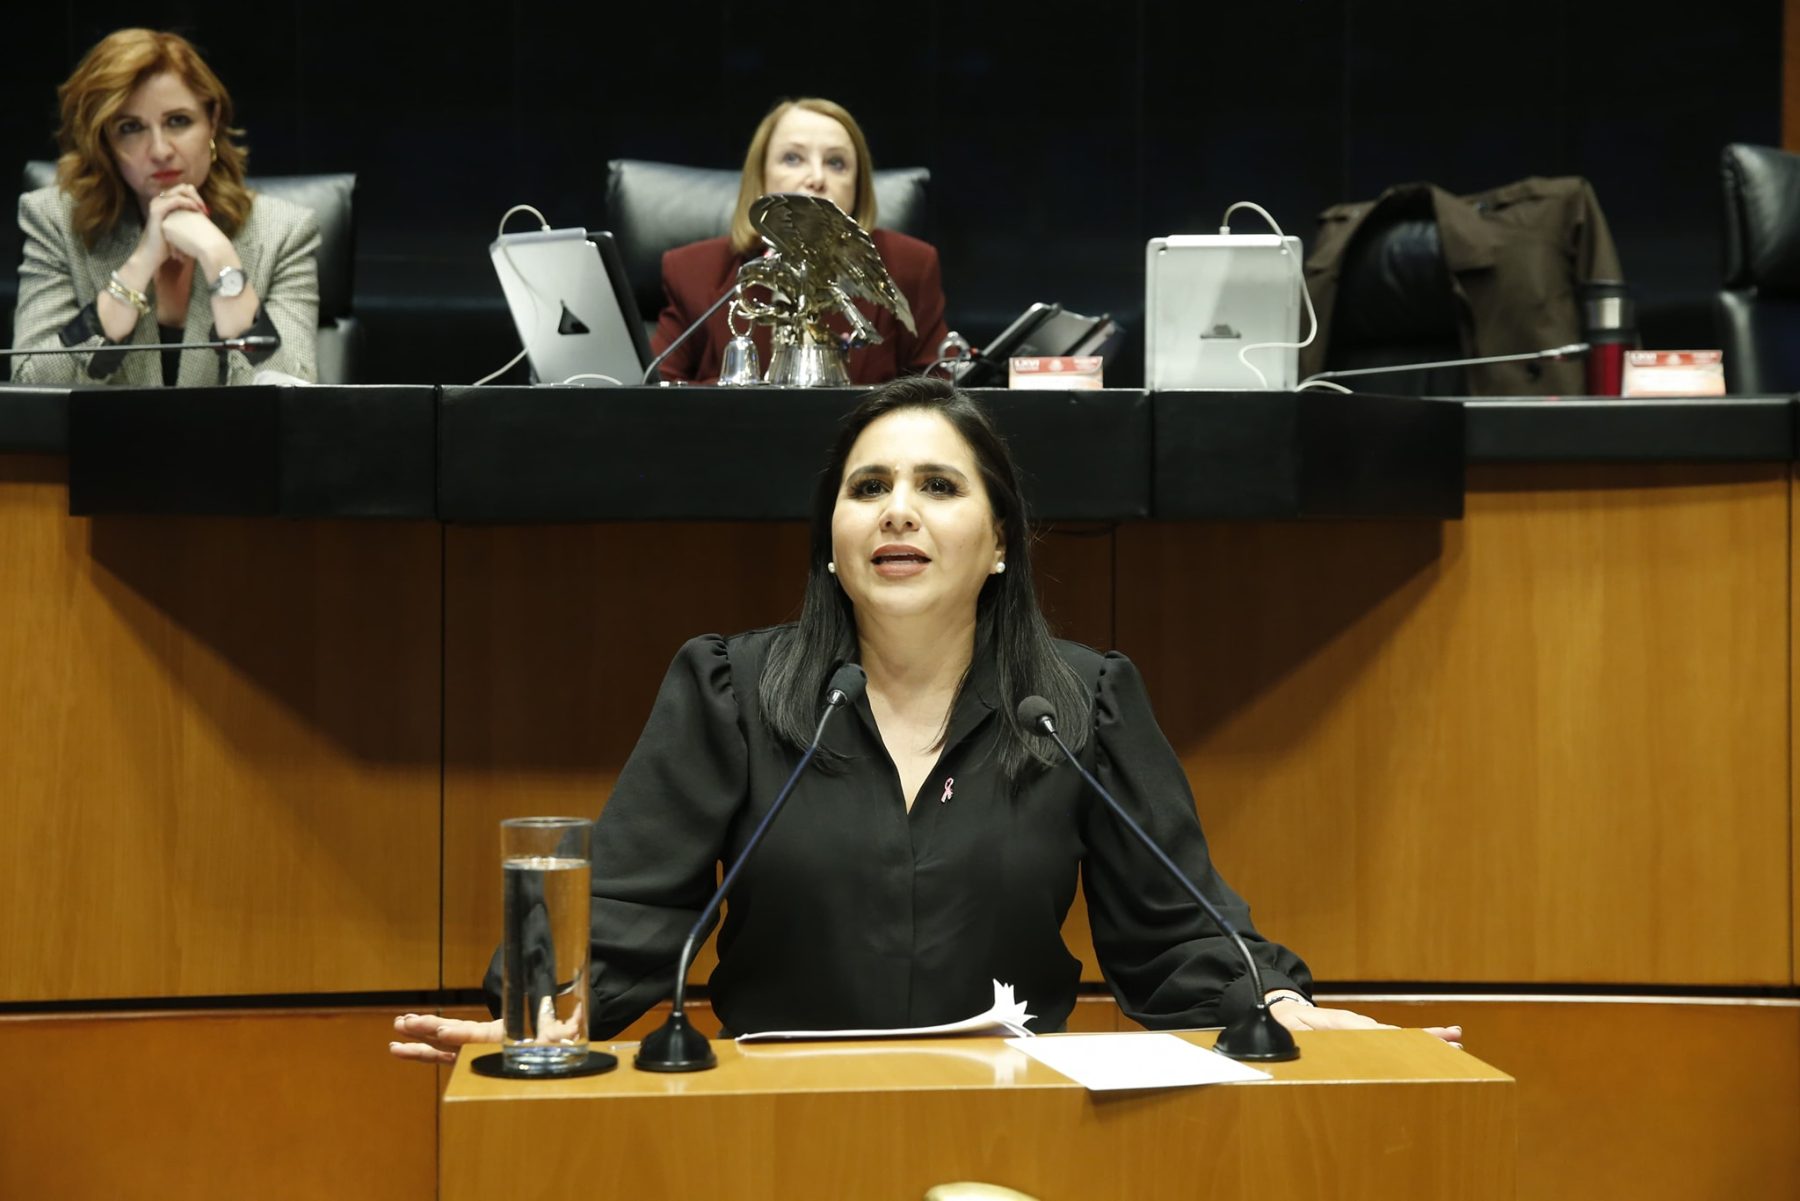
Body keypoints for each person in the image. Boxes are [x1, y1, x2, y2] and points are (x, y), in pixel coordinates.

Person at [392, 378, 1460, 1062]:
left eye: (938, 485)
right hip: (771, 1129)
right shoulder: (732, 691)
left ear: (998, 544)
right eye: (868, 487)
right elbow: (630, 907)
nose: (897, 508)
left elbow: (1178, 930)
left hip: (1013, 1125)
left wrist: (1283, 1005)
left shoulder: (1080, 703)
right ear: (831, 541)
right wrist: (544, 1010)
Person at [10, 29, 319, 388]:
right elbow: (30, 383)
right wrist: (136, 269)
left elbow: (294, 394)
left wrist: (220, 259)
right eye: (130, 128)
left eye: (178, 121)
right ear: (104, 142)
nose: (160, 150)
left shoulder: (282, 231)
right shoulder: (57, 222)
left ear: (212, 120)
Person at [650, 98, 949, 385]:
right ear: (760, 177)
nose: (816, 178)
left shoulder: (910, 265)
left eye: (836, 163)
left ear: (858, 187)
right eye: (792, 158)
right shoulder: (692, 271)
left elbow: (938, 398)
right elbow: (651, 394)